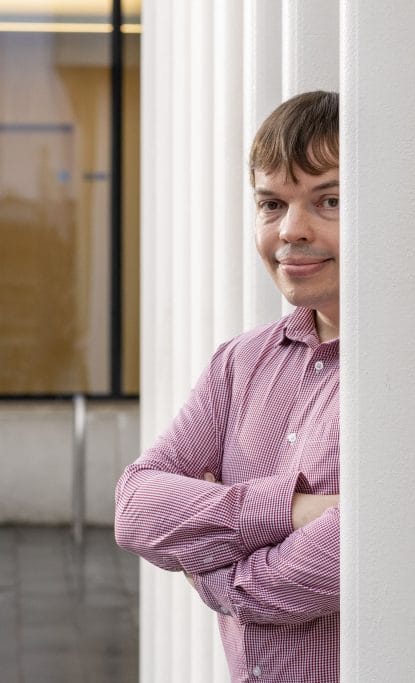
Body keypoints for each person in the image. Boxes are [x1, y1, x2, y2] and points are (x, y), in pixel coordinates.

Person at [115, 90, 341, 682]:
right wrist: (291, 510)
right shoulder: (242, 362)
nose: (292, 230)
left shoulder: (403, 380)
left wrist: (209, 562)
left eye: (330, 200)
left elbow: (357, 549)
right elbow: (135, 505)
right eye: (271, 204)